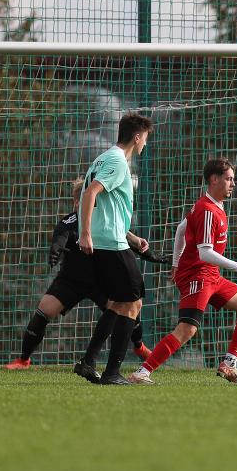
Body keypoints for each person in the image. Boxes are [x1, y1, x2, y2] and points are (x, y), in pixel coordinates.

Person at [5, 177, 167, 376]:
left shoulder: (106, 222)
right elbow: (61, 235)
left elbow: (125, 240)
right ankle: (24, 359)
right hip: (71, 280)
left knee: (127, 304)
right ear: (76, 202)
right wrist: (56, 248)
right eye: (82, 200)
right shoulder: (70, 221)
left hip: (102, 281)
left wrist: (150, 254)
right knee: (44, 311)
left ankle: (139, 346)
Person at [129, 158, 237, 385]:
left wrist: (175, 263)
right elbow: (205, 253)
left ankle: (229, 364)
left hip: (211, 276)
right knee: (187, 329)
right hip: (198, 277)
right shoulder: (207, 209)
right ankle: (142, 373)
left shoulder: (212, 206)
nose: (233, 184)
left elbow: (181, 230)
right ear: (214, 179)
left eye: (233, 179)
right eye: (229, 179)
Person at [77, 113, 153, 384]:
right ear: (136, 137)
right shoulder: (117, 161)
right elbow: (90, 194)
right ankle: (111, 373)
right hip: (108, 243)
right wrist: (85, 233)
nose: (145, 143)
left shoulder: (102, 158)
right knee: (133, 303)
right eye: (145, 138)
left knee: (119, 302)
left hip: (112, 239)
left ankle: (88, 361)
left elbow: (107, 208)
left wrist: (131, 237)